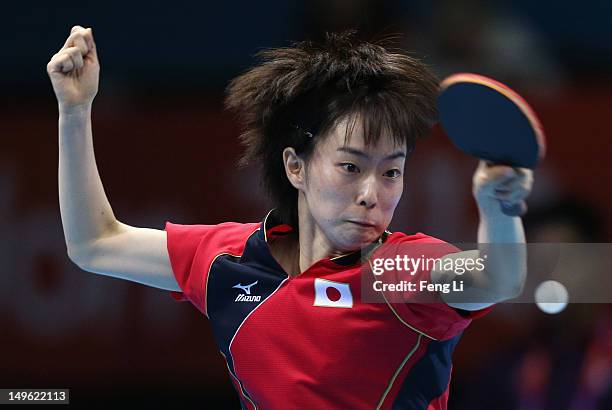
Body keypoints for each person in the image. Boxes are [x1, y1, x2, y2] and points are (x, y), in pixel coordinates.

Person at [47, 25, 533, 409]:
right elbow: (96, 244)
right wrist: (75, 111)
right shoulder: (227, 260)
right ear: (295, 166)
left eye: (391, 172)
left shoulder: (396, 270)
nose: (371, 193)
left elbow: (498, 277)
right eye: (350, 166)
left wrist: (497, 209)